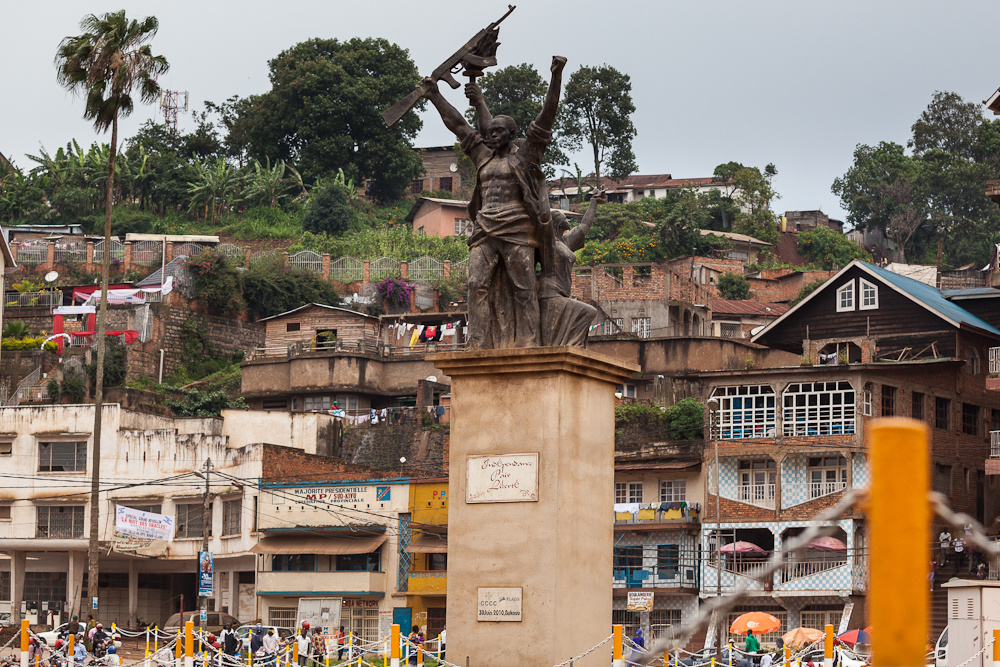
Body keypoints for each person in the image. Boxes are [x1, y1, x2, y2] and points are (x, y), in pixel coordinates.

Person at [422, 56, 567, 350]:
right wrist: (435, 96)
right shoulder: (482, 156)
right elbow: (458, 125)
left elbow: (546, 117)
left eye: (498, 131)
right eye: (491, 131)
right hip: (485, 227)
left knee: (524, 288)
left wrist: (556, 76)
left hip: (517, 227)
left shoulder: (525, 155)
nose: (491, 134)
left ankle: (528, 341)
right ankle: (478, 341)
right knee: (476, 285)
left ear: (511, 134)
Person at [538, 192, 605, 346]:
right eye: (564, 218)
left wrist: (594, 202)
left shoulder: (566, 241)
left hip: (563, 293)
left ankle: (573, 346)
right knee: (588, 312)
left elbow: (584, 226)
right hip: (549, 293)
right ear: (556, 223)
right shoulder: (547, 244)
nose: (567, 220)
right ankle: (574, 346)